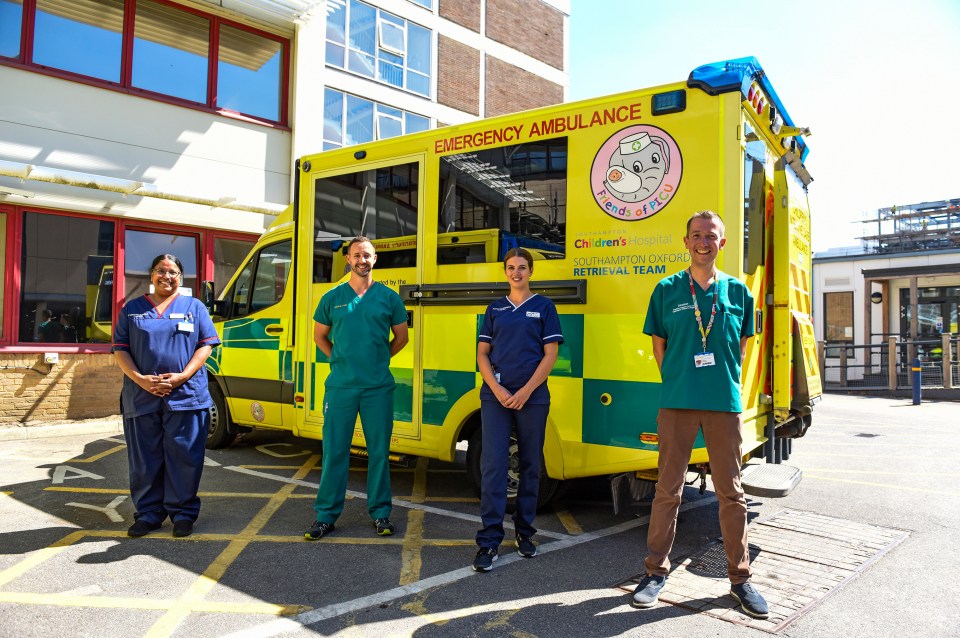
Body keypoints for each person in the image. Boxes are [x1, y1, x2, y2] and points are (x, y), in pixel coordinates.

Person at [634, 210, 769, 619]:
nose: (703, 242)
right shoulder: (666, 289)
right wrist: (677, 378)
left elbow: (741, 348)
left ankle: (740, 579)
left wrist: (716, 380)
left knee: (731, 493)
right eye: (696, 235)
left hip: (723, 404)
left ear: (722, 243)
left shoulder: (738, 293)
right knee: (667, 489)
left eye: (711, 236)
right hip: (677, 401)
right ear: (686, 241)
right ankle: (656, 572)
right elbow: (659, 345)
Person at [305, 236, 409, 541]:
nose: (362, 260)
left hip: (377, 388)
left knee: (379, 452)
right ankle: (325, 516)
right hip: (341, 387)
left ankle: (380, 514)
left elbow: (400, 338)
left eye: (368, 255)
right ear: (348, 260)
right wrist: (339, 359)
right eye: (357, 256)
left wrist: (379, 360)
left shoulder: (389, 298)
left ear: (375, 259)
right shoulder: (332, 297)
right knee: (335, 451)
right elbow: (319, 337)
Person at [113, 254, 220, 538]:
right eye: (161, 271)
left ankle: (183, 514)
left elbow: (206, 346)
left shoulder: (194, 307)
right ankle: (148, 515)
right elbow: (120, 349)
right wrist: (140, 380)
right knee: (144, 459)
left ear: (180, 278)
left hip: (186, 395)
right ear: (151, 275)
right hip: (141, 395)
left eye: (173, 272)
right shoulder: (132, 309)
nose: (167, 276)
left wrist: (183, 376)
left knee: (185, 456)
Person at [472, 248, 563, 572]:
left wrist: (525, 391)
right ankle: (489, 542)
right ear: (505, 271)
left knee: (530, 465)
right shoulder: (495, 308)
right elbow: (483, 354)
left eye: (522, 268)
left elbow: (550, 354)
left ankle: (525, 533)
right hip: (495, 397)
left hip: (532, 398)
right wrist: (497, 390)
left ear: (531, 271)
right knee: (494, 465)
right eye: (510, 268)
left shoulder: (544, 307)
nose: (516, 273)